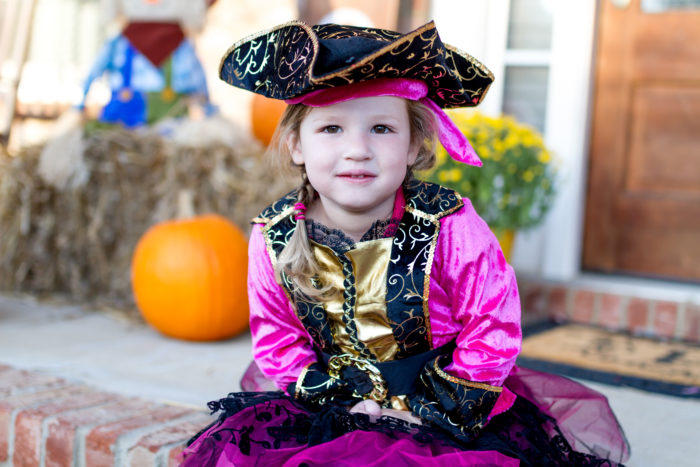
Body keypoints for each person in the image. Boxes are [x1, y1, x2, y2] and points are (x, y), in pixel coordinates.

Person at [181, 20, 629, 466]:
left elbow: (491, 324)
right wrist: (340, 403)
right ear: (296, 144)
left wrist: (430, 411)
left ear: (414, 145)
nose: (357, 149)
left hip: (443, 408)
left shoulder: (449, 225)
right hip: (334, 405)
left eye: (381, 129)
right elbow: (278, 339)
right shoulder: (273, 236)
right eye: (332, 128)